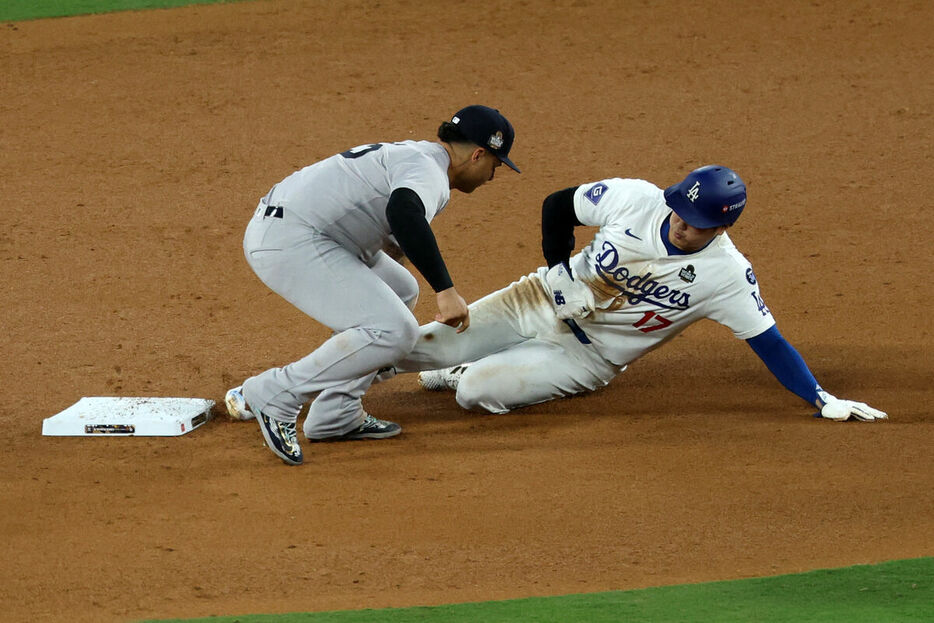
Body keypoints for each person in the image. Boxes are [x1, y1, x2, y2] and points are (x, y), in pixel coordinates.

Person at [390, 165, 887, 422]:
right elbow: (557, 205)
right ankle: (328, 391)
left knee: (477, 391)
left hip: (589, 358)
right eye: (678, 212)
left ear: (721, 226)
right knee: (421, 344)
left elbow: (770, 342)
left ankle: (467, 370)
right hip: (540, 300)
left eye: (694, 226)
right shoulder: (637, 198)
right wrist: (558, 267)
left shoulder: (727, 276)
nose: (679, 225)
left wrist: (820, 397)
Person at [225, 105, 520, 465]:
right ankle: (276, 393)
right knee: (395, 331)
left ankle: (337, 414)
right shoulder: (429, 171)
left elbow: (391, 223)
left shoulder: (418, 155)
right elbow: (404, 213)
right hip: (291, 241)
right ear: (477, 154)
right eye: (496, 164)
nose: (493, 174)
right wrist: (446, 291)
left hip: (305, 230)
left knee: (401, 289)